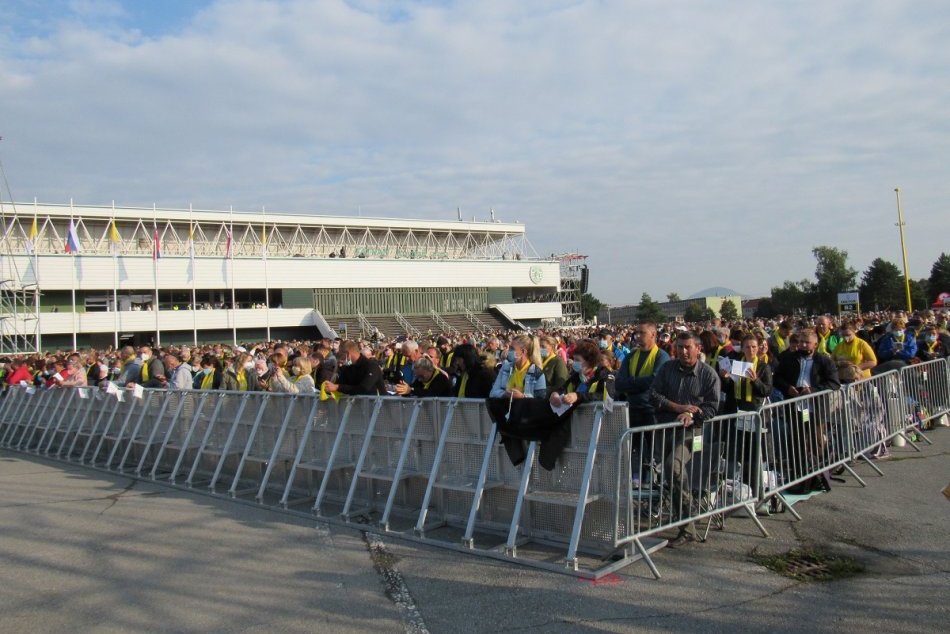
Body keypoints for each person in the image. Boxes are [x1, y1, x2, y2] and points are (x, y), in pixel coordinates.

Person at [649, 331, 721, 546]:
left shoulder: (708, 375)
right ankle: (684, 516)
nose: (683, 351)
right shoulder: (667, 369)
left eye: (688, 347)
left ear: (698, 349)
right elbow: (653, 395)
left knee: (674, 467)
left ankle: (687, 526)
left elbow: (712, 407)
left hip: (692, 433)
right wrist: (677, 407)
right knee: (672, 477)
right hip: (666, 429)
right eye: (680, 347)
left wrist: (691, 414)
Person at [489, 335, 547, 400]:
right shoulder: (505, 367)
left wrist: (523, 397)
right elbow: (493, 393)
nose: (508, 351)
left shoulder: (538, 373)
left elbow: (540, 401)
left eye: (512, 349)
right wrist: (505, 394)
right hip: (505, 409)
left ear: (523, 352)